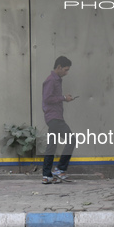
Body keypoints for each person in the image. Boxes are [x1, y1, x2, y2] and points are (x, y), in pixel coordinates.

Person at [41, 56, 75, 184]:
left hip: (54, 117)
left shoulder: (56, 80)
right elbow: (47, 99)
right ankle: (60, 169)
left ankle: (47, 175)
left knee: (51, 146)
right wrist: (63, 98)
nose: (66, 73)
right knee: (71, 140)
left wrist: (64, 98)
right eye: (65, 70)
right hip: (54, 117)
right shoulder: (51, 80)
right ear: (59, 67)